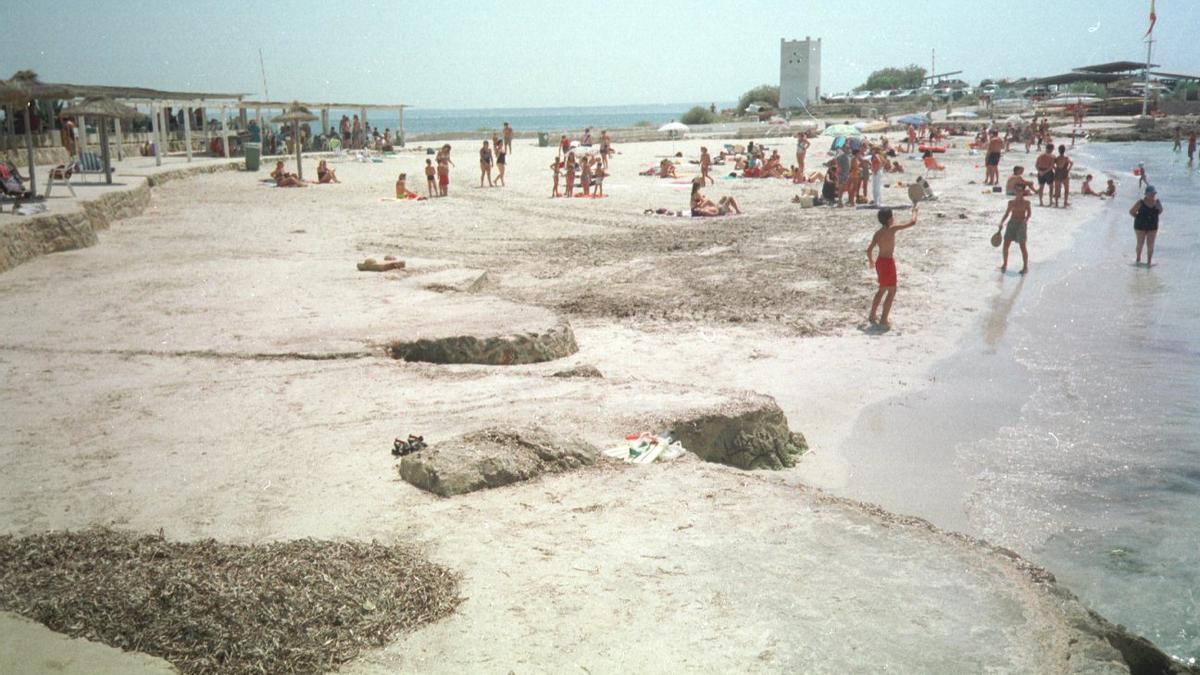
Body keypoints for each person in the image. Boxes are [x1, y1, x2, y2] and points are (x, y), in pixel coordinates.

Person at [866, 206, 919, 327]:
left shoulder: (877, 233)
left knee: (881, 289)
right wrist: (914, 212)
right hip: (888, 263)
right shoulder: (892, 229)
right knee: (892, 291)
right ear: (890, 219)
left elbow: (869, 250)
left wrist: (871, 261)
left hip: (879, 261)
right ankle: (884, 319)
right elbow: (912, 222)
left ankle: (872, 315)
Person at [998, 184, 1032, 274]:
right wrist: (1001, 222)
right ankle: (1004, 264)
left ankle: (1025, 267)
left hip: (1021, 224)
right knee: (1006, 245)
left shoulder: (1026, 203)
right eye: (1017, 190)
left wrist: (1026, 220)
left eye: (1020, 190)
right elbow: (1006, 214)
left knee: (1022, 246)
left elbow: (1029, 214)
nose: (1018, 192)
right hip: (1011, 223)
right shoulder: (1011, 202)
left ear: (1023, 191)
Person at [1130, 185, 1162, 266]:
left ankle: (1149, 261)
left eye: (1154, 194)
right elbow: (1131, 211)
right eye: (1151, 194)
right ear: (1146, 194)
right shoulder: (1140, 202)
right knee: (1140, 243)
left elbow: (1160, 211)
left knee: (1150, 244)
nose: (1153, 195)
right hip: (1140, 226)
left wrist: (1159, 207)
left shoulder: (1157, 202)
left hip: (1152, 226)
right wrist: (1138, 218)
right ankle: (1138, 258)